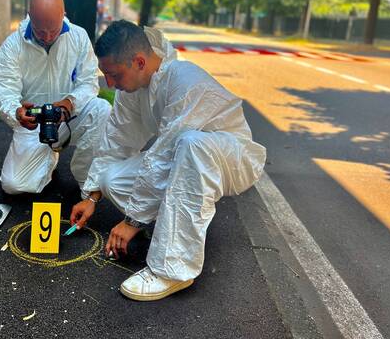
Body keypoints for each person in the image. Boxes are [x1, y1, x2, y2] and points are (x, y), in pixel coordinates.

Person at [70, 20, 266, 301]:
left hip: (230, 158)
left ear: (139, 61)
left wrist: (132, 221)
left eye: (114, 75)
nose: (110, 84)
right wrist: (92, 198)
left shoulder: (184, 80)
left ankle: (174, 270)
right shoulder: (134, 87)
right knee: (110, 178)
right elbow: (117, 141)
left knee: (191, 143)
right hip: (182, 157)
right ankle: (172, 229)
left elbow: (163, 156)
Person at [0, 0, 111, 196]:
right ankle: (48, 162)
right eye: (40, 31)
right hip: (33, 126)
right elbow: (4, 91)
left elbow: (89, 83)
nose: (47, 37)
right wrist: (16, 113)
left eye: (53, 30)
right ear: (29, 16)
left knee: (101, 110)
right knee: (15, 186)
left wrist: (69, 102)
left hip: (69, 117)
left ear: (63, 14)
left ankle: (87, 183)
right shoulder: (12, 47)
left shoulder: (79, 37)